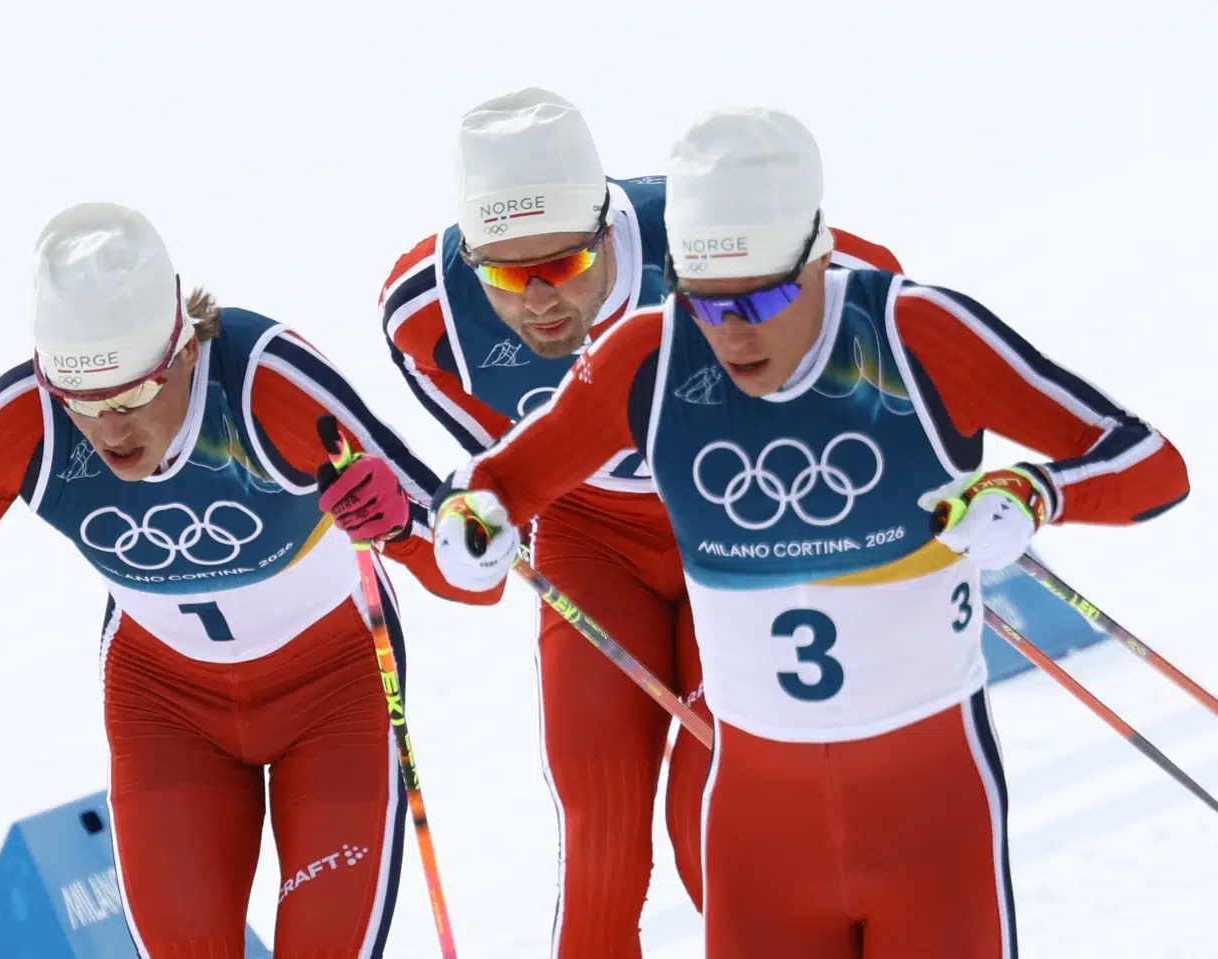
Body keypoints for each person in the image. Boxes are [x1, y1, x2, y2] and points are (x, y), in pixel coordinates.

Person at [427, 107, 1190, 957]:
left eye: (766, 297)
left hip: (930, 816)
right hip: (762, 836)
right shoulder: (653, 354)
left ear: (821, 256)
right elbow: (497, 484)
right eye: (706, 302)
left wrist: (1037, 492)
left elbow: (1150, 462)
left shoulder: (913, 335)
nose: (733, 332)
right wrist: (471, 518)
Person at [0, 202, 500, 958]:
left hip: (334, 689)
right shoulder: (27, 419)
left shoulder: (265, 382)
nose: (111, 430)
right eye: (84, 402)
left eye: (135, 395)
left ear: (183, 348)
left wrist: (404, 519)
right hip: (168, 711)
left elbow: (477, 569)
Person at [380, 86, 903, 957]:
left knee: (713, 807)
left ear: (607, 228)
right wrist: (485, 514)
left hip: (737, 525)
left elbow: (882, 289)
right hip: (592, 541)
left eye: (564, 266)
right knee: (602, 833)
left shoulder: (700, 233)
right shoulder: (425, 313)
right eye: (507, 275)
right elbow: (506, 462)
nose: (540, 299)